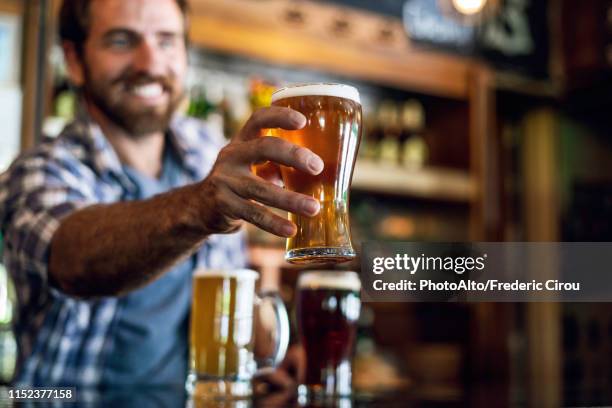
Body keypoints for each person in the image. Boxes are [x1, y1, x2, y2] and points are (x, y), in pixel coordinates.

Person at [0, 0, 320, 388]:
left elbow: (226, 297)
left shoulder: (208, 151)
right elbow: (74, 260)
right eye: (121, 40)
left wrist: (271, 359)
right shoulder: (37, 172)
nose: (149, 63)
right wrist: (201, 207)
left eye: (166, 40)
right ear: (74, 60)